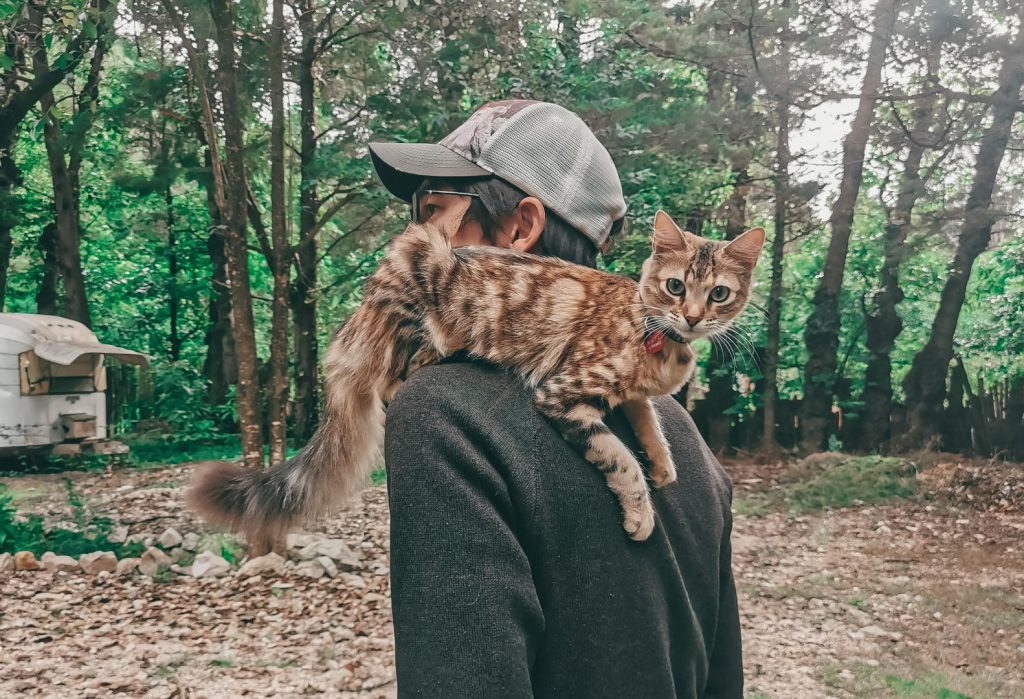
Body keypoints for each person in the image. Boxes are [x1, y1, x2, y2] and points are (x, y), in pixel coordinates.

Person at [370, 100, 743, 698]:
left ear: (520, 228)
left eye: (433, 213)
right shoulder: (686, 442)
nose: (413, 240)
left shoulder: (446, 414)